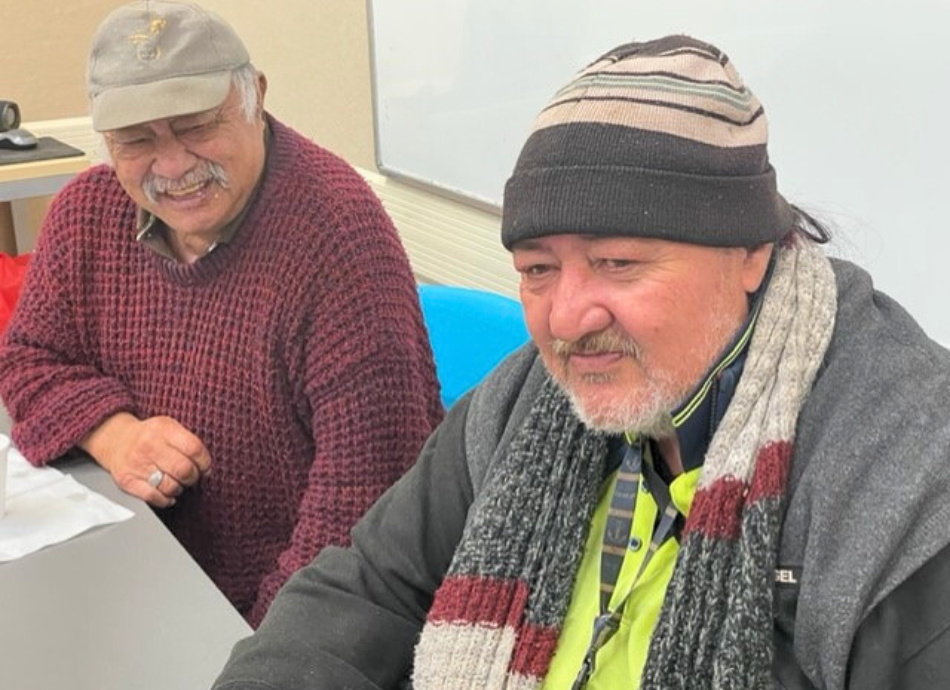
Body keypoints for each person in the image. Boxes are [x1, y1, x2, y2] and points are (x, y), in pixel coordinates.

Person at [210, 35, 950, 689]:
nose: (566, 320)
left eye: (618, 262)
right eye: (537, 269)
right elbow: (368, 588)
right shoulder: (526, 399)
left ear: (752, 250)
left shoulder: (905, 479)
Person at [0, 0, 443, 628]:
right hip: (139, 576)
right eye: (136, 140)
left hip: (276, 617)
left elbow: (364, 510)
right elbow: (28, 358)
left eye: (197, 125)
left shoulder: (339, 238)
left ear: (254, 96)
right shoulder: (87, 213)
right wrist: (115, 431)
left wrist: (252, 655)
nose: (173, 166)